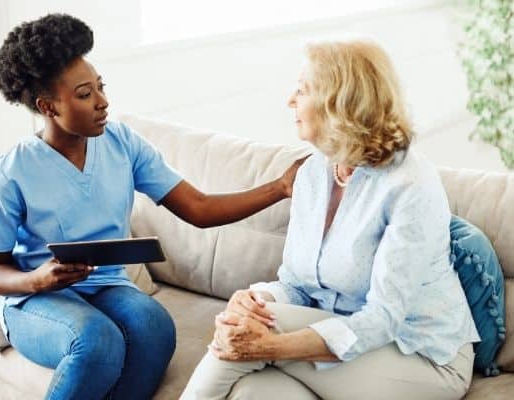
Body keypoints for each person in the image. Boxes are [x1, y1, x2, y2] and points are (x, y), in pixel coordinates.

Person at [0, 13, 305, 400]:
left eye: (100, 87)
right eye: (85, 95)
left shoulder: (122, 143)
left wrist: (281, 187)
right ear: (47, 107)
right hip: (36, 299)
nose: (103, 102)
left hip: (106, 285)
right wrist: (38, 279)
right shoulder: (9, 172)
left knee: (154, 328)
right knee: (96, 341)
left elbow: (198, 208)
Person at [181, 40, 480, 400]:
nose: (290, 100)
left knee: (252, 331)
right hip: (345, 342)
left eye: (303, 90)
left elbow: (384, 318)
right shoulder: (312, 172)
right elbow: (296, 283)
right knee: (252, 391)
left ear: (339, 104)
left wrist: (269, 346)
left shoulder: (410, 185)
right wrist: (256, 297)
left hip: (419, 354)